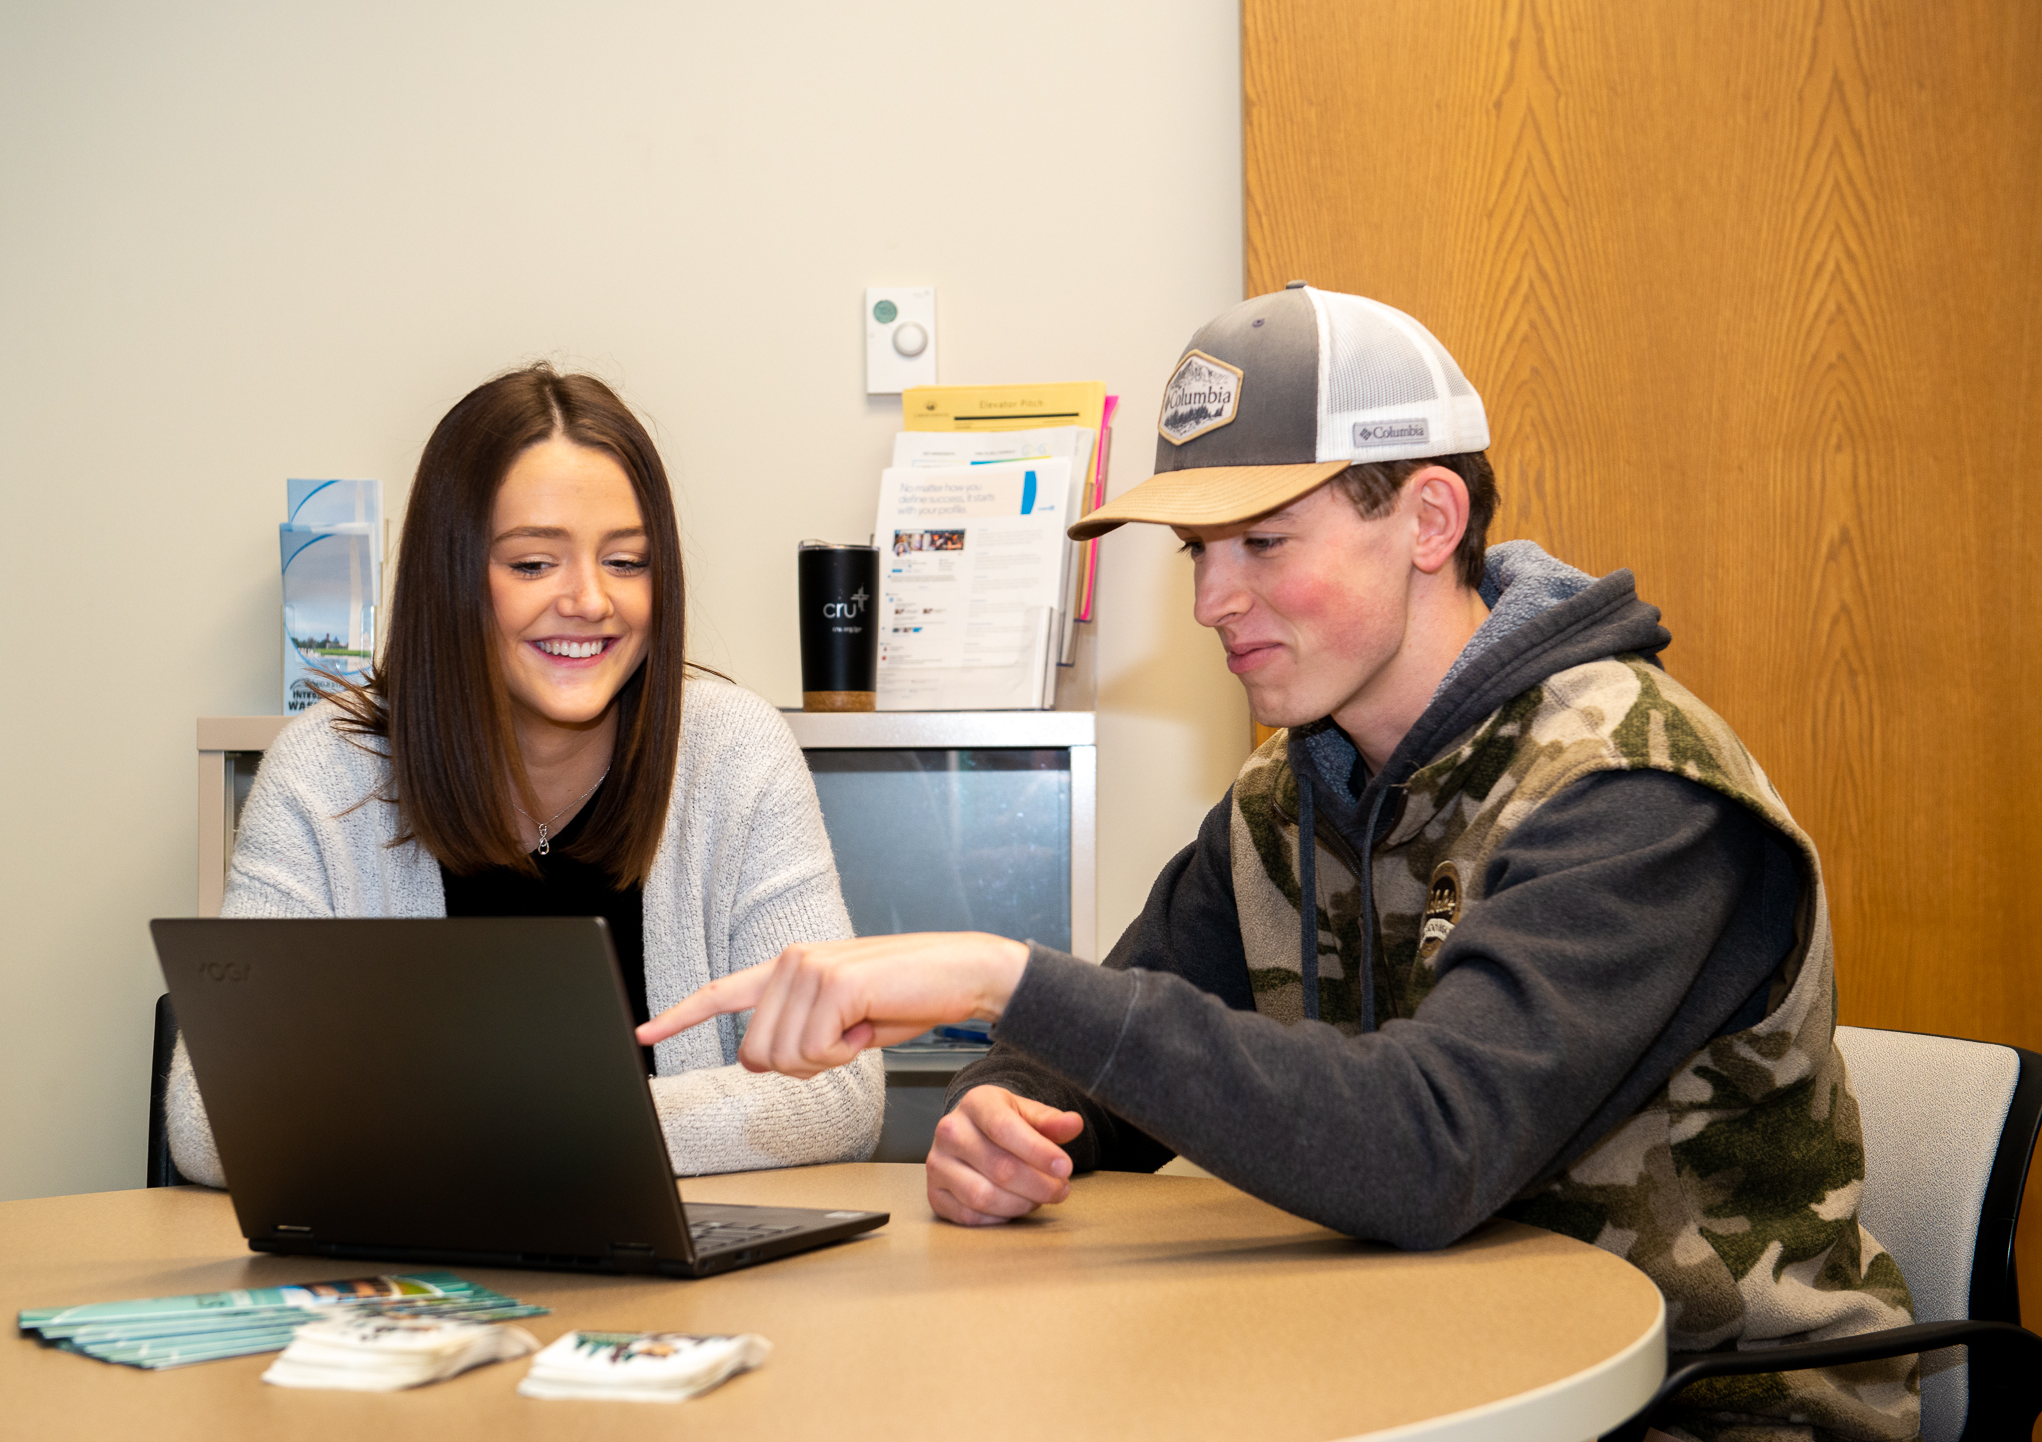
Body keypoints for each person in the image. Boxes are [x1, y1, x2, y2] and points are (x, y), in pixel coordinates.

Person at [642, 287, 1919, 1441]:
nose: (1209, 599)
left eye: (1263, 541)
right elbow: (1098, 1057)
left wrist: (997, 969)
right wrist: (1010, 1118)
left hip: (1708, 1407)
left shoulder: (1637, 788)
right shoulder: (1290, 793)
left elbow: (1425, 1146)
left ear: (1429, 516)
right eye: (1200, 552)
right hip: (1428, 1362)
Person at [167, 363, 883, 1184]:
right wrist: (584, 1126)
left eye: (626, 561)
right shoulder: (325, 773)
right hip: (416, 1291)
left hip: (688, 1291)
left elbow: (839, 1090)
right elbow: (210, 1113)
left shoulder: (735, 753)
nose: (588, 601)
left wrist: (486, 1125)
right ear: (450, 578)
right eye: (533, 564)